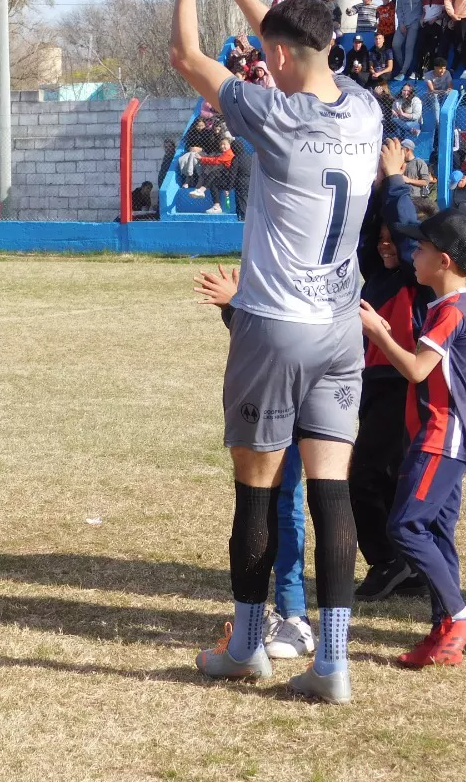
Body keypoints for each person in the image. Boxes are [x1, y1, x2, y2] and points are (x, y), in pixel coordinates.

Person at [169, 0, 381, 705]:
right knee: (330, 494)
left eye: (269, 56)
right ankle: (331, 665)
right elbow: (290, 43)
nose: (263, 59)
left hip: (276, 325)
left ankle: (248, 646)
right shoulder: (363, 109)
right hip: (339, 328)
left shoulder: (277, 116)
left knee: (256, 493)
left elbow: (186, 57)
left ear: (280, 60)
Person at [359, 209, 466, 668]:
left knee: (405, 527)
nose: (414, 253)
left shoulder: (452, 310)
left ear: (447, 261)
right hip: (434, 436)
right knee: (436, 531)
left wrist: (379, 332)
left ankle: (460, 615)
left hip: (443, 437)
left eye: (423, 248)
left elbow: (417, 370)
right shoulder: (441, 305)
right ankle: (443, 631)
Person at [195, 265, 314, 661]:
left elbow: (284, 334)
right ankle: (277, 615)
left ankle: (295, 616)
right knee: (276, 499)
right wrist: (236, 311)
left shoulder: (305, 262)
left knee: (289, 500)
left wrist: (239, 308)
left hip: (303, 387)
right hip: (274, 387)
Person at [353, 141, 438, 601]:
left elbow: (406, 237)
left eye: (396, 237)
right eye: (383, 235)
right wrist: (378, 189)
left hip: (404, 385)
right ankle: (405, 566)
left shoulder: (415, 275)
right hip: (372, 384)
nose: (387, 242)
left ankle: (390, 561)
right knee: (383, 475)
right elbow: (373, 237)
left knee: (367, 475)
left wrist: (397, 182)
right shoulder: (380, 274)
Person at [418, 0, 447, 74]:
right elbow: (424, 11)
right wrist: (421, 19)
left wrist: (436, 18)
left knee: (433, 49)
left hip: (436, 25)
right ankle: (420, 71)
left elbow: (445, 13)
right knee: (421, 48)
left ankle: (432, 71)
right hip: (425, 25)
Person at [394, 0, 423, 79]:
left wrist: (419, 21)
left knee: (408, 47)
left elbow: (423, 11)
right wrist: (401, 23)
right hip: (402, 24)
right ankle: (403, 66)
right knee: (395, 45)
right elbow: (399, 11)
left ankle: (403, 71)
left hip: (414, 24)